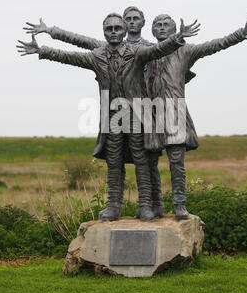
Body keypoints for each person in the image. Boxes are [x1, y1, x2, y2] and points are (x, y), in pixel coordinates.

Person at [17, 13, 200, 222]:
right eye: (109, 29)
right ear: (104, 32)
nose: (114, 32)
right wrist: (42, 50)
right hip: (112, 115)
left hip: (139, 113)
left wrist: (178, 38)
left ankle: (146, 205)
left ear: (125, 31)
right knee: (113, 161)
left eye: (117, 28)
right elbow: (70, 55)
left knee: (142, 160)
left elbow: (159, 49)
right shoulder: (97, 55)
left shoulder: (137, 52)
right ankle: (113, 205)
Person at [145, 13, 247, 220]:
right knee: (149, 161)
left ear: (174, 29)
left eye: (166, 24)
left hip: (174, 111)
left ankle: (179, 204)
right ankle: (156, 205)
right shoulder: (146, 53)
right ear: (152, 30)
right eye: (158, 25)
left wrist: (242, 33)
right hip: (150, 113)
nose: (162, 27)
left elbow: (213, 45)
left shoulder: (185, 50)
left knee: (176, 161)